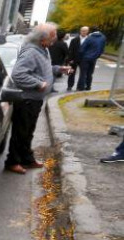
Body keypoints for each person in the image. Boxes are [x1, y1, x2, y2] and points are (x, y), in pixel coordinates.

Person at [6, 23, 71, 174]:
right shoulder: (31, 52)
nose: (55, 40)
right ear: (42, 39)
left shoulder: (42, 49)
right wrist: (38, 84)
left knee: (28, 132)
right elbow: (18, 74)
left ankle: (26, 159)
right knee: (20, 133)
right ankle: (12, 162)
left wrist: (58, 69)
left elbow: (42, 69)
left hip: (34, 99)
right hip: (26, 100)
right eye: (52, 37)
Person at [77, 26, 106, 91]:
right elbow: (102, 49)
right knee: (90, 73)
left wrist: (80, 57)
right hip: (94, 58)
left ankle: (81, 87)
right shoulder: (103, 37)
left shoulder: (89, 38)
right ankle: (88, 86)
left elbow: (82, 49)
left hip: (85, 58)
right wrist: (97, 56)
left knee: (83, 73)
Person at [65, 26, 87, 91]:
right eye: (83, 31)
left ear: (87, 32)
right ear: (80, 31)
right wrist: (70, 59)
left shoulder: (89, 40)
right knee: (70, 72)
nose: (84, 32)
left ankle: (79, 87)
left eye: (85, 31)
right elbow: (70, 50)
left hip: (84, 59)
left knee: (83, 74)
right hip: (73, 59)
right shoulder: (74, 40)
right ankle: (69, 85)